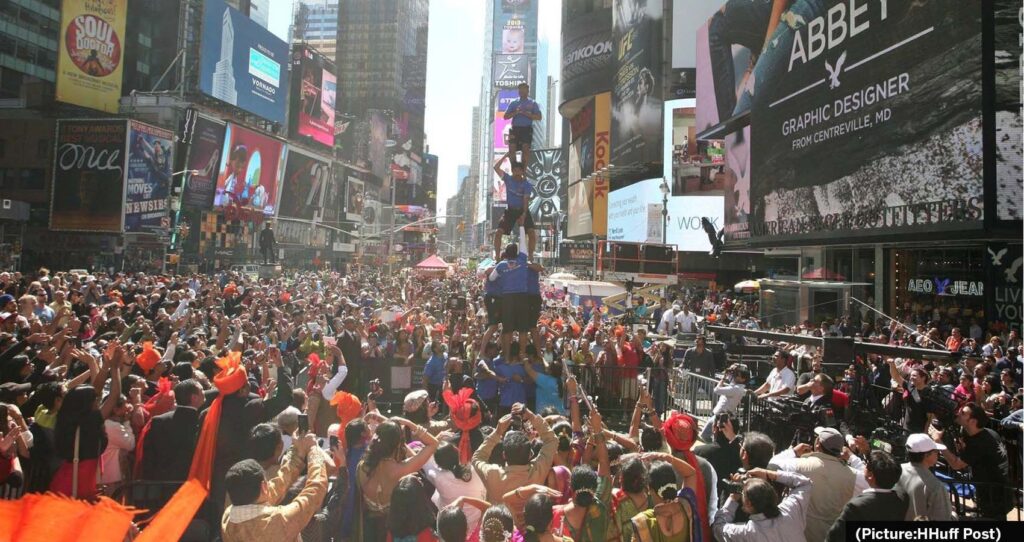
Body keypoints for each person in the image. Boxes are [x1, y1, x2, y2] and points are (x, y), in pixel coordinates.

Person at [221, 434, 329, 542]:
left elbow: (279, 484)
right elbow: (316, 489)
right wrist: (314, 450)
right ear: (264, 487)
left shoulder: (228, 516)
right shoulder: (277, 521)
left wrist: (296, 452)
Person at [472, 403, 558, 527]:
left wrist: (497, 432)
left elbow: (477, 457)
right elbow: (551, 440)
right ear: (530, 455)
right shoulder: (537, 471)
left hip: (500, 533)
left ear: (504, 455)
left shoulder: (493, 474)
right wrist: (531, 417)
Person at [768, 427, 857, 542]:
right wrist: (852, 457)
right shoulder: (853, 475)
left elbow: (772, 464)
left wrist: (793, 452)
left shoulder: (799, 465)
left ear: (818, 444)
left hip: (802, 536)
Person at [357, 418, 440, 541]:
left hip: (367, 530)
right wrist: (409, 423)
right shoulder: (402, 470)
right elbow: (434, 443)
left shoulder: (362, 467)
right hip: (393, 532)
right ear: (397, 444)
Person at [931, 403, 1013, 519]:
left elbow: (956, 464)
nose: (958, 413)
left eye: (963, 413)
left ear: (973, 421)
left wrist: (939, 442)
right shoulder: (988, 433)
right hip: (997, 493)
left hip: (994, 498)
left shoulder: (979, 443)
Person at [712, 468, 813, 542]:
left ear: (749, 504)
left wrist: (733, 498)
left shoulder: (748, 533)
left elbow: (717, 528)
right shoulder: (790, 510)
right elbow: (805, 483)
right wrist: (770, 474)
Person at [827, 451, 907, 542]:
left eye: (866, 465)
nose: (864, 467)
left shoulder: (855, 506)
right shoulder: (902, 497)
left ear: (871, 475)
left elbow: (834, 536)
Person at [138, 379, 204, 481]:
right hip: (190, 484)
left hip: (160, 484)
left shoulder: (158, 421)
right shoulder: (201, 422)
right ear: (194, 398)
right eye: (202, 390)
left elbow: (149, 458)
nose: (204, 394)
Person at [629, 460, 699, 542]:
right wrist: (668, 457)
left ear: (649, 488)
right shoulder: (686, 507)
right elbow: (691, 474)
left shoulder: (643, 522)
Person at [895, 434, 954, 521]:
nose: (938, 454)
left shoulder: (896, 470)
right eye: (936, 451)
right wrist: (954, 515)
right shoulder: (935, 486)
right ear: (926, 455)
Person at [492, 157, 537, 261]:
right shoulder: (508, 179)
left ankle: (530, 256)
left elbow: (526, 200)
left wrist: (524, 214)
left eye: (519, 170)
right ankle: (497, 257)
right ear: (512, 171)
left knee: (531, 233)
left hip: (522, 209)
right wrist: (506, 155)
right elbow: (496, 167)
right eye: (515, 170)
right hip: (510, 211)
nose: (517, 172)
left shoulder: (526, 184)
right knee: (498, 232)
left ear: (522, 171)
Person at [700, 363, 748, 442]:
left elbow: (716, 390)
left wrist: (722, 380)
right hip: (720, 414)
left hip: (721, 415)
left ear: (743, 379)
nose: (736, 376)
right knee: (715, 437)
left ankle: (712, 448)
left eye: (738, 375)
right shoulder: (736, 386)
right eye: (736, 374)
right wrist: (729, 372)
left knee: (705, 435)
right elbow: (731, 380)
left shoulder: (736, 389)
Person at [504, 82, 542, 168]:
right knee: (512, 150)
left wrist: (526, 114)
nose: (521, 91)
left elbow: (539, 117)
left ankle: (523, 170)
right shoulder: (514, 103)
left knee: (525, 150)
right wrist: (516, 112)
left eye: (524, 89)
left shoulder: (533, 103)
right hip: (515, 128)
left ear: (527, 91)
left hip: (526, 129)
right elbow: (505, 116)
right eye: (520, 90)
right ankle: (514, 168)